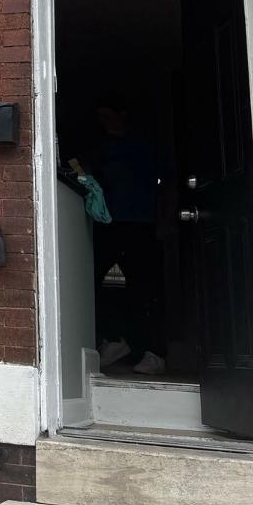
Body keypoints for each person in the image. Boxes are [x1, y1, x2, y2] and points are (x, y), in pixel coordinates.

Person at [87, 99, 169, 375]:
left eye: (108, 114)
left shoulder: (144, 145)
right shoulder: (101, 149)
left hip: (141, 223)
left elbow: (165, 183)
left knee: (144, 286)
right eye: (100, 117)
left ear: (123, 113)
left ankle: (154, 352)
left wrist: (164, 220)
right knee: (99, 283)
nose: (104, 122)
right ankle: (117, 340)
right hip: (109, 223)